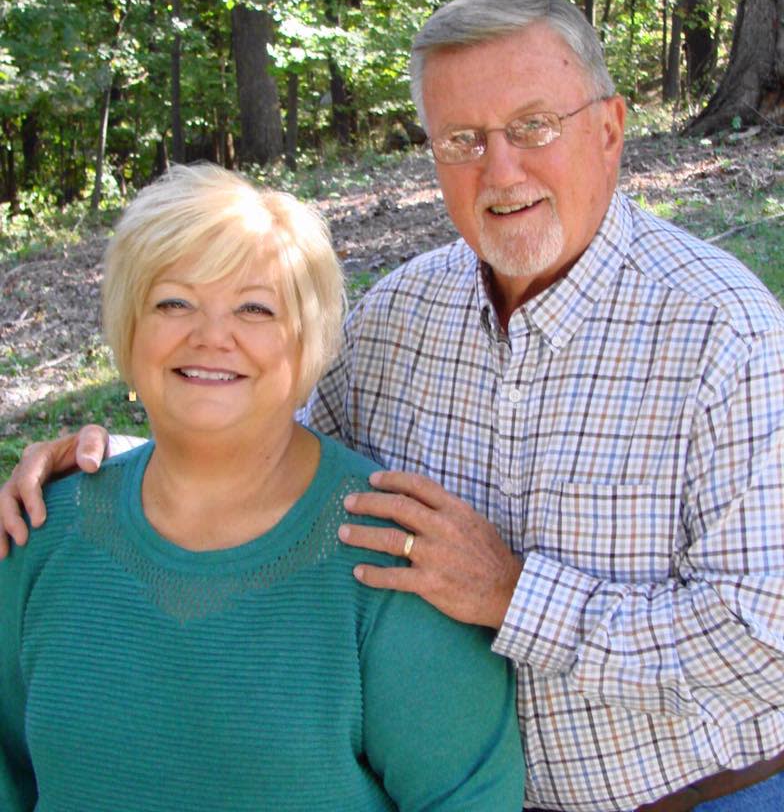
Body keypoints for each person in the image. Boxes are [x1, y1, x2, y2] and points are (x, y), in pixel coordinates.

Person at [1, 0, 783, 811]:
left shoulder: (726, 337)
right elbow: (264, 455)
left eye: (532, 127)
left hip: (696, 797)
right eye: (462, 140)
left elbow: (767, 639)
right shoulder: (399, 316)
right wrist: (112, 473)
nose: (501, 169)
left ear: (609, 129)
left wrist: (515, 594)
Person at [0, 163, 524, 811]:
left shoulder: (392, 556)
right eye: (173, 301)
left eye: (254, 308)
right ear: (127, 331)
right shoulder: (39, 531)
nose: (211, 335)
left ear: (307, 346)